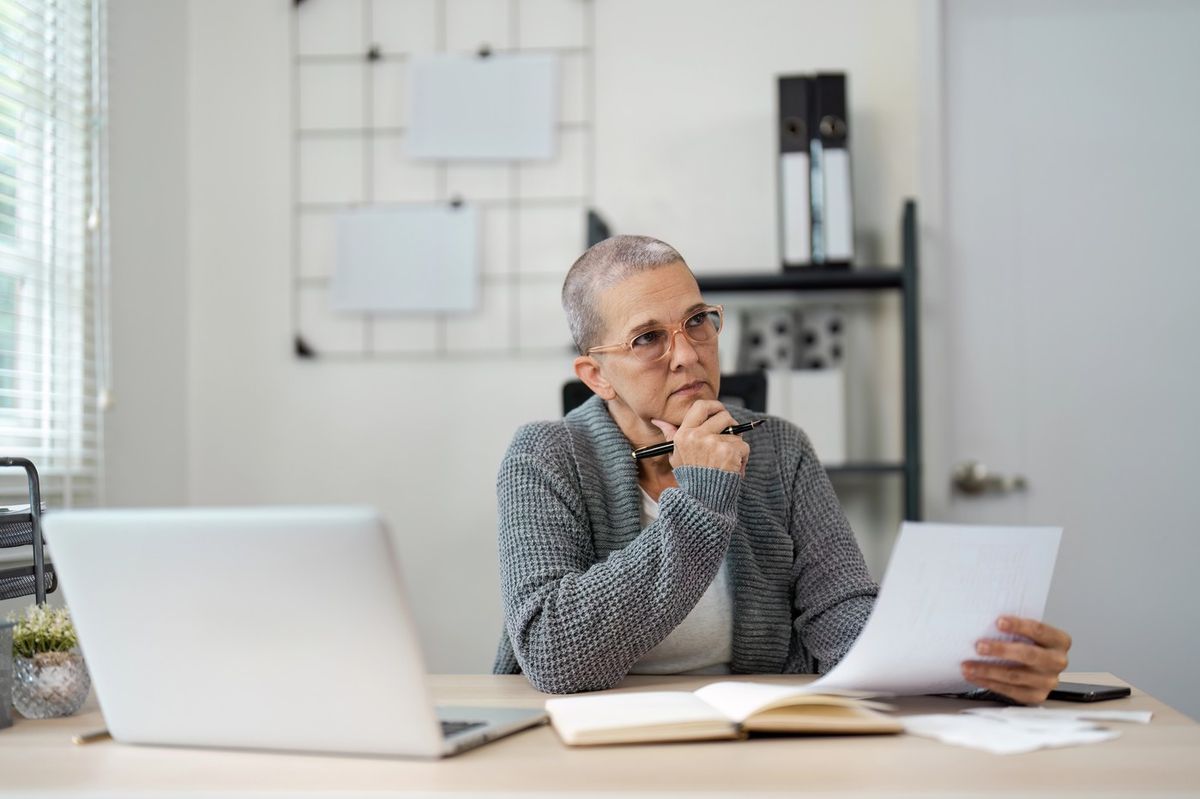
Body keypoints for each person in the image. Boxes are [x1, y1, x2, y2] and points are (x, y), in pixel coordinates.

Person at [493, 235, 1071, 700]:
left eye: (697, 321)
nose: (688, 354)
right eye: (647, 338)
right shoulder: (544, 456)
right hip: (586, 746)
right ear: (596, 375)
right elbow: (551, 651)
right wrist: (702, 499)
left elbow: (841, 615)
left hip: (748, 735)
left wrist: (974, 667)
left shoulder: (779, 448)